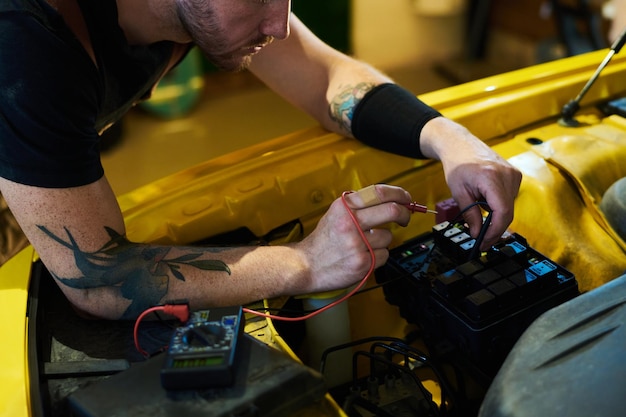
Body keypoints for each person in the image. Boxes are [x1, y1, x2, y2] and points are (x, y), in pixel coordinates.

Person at [0, 0, 521, 320]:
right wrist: (304, 262)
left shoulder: (201, 7)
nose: (280, 23)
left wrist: (450, 140)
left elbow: (325, 81)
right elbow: (99, 276)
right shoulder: (25, 42)